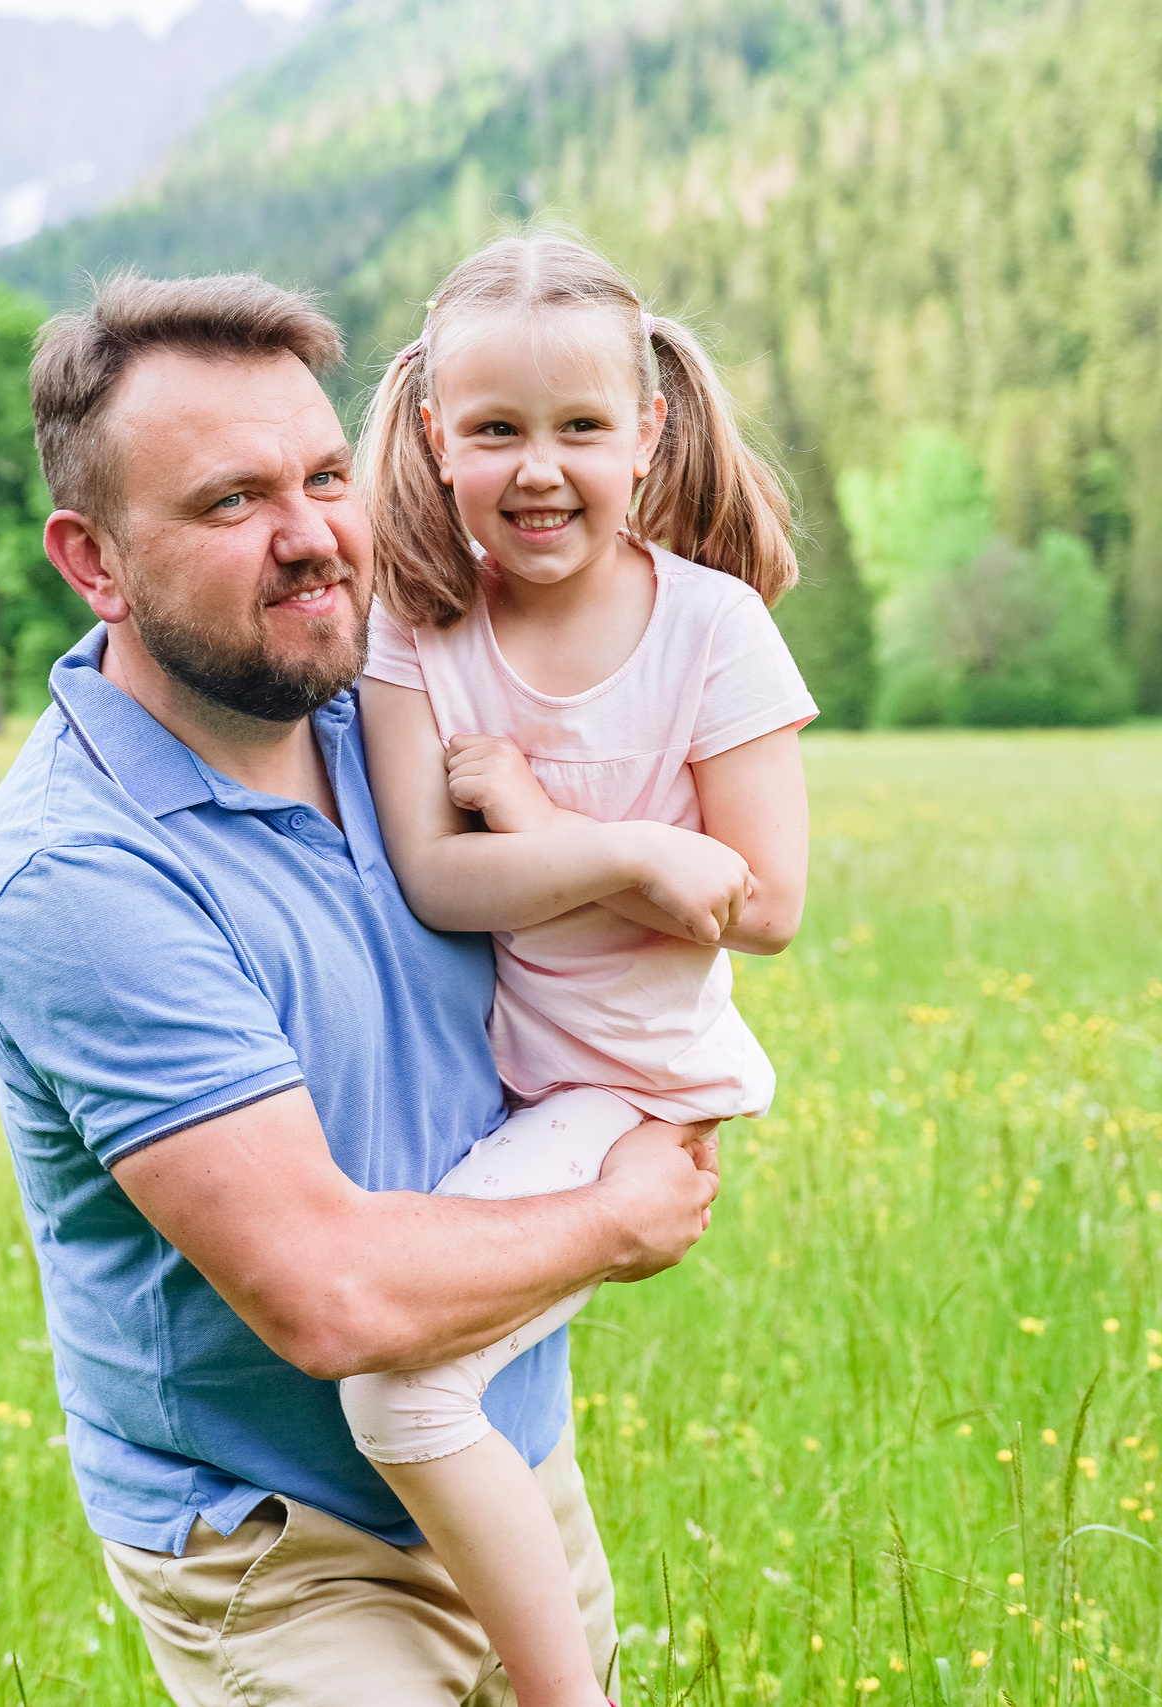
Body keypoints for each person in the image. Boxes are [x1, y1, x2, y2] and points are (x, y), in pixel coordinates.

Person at [0, 270, 740, 1704]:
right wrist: (617, 1217)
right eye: (230, 503)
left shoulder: (403, 724)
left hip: (502, 1458)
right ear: (96, 562)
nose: (314, 537)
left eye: (326, 476)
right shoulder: (80, 877)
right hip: (283, 1546)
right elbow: (331, 1298)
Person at [339, 233, 814, 1707]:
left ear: (649, 430)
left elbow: (768, 900)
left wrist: (554, 826)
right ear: (433, 434)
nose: (538, 471)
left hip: (633, 1093)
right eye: (495, 432)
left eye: (579, 430)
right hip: (522, 1093)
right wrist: (631, 859)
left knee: (397, 1388)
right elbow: (438, 874)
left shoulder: (711, 630)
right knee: (448, 1382)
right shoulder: (417, 627)